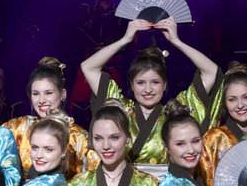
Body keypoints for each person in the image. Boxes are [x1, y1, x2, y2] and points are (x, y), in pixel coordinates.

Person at [80, 18, 222, 168]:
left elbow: (211, 72)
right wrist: (125, 39)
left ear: (164, 85)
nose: (148, 89)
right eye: (141, 83)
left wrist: (177, 41)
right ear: (132, 85)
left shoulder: (175, 112)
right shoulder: (120, 109)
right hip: (126, 182)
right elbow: (89, 67)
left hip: (168, 182)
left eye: (155, 82)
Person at [1, 57, 96, 177]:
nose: (41, 100)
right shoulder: (18, 128)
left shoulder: (79, 137)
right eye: (36, 94)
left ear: (62, 94)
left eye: (48, 93)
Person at [200, 63, 247, 186]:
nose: (240, 105)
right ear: (225, 103)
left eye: (246, 97)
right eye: (232, 100)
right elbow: (208, 185)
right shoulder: (213, 138)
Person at [70, 0, 123, 109]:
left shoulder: (119, 11)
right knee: (83, 93)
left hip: (112, 57)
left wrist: (108, 46)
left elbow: (122, 34)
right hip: (90, 53)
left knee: (112, 93)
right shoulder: (87, 9)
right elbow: (79, 32)